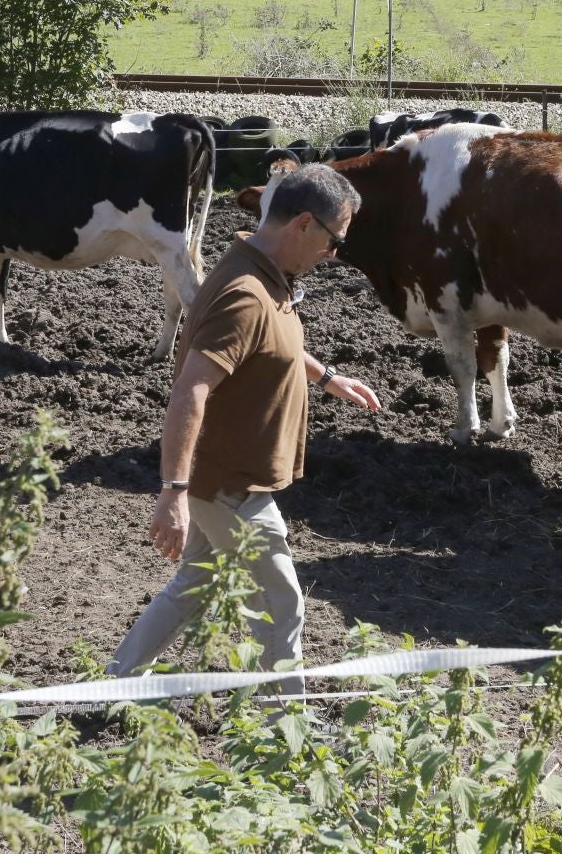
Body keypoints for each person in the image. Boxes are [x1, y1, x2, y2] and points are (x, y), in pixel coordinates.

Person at [107, 164, 381, 696]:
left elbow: (267, 341)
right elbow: (191, 388)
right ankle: (288, 731)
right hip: (230, 484)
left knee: (195, 582)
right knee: (282, 606)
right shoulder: (245, 293)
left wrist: (325, 377)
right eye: (334, 239)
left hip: (223, 477)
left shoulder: (261, 274)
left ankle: (116, 683)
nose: (335, 253)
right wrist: (174, 492)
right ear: (304, 223)